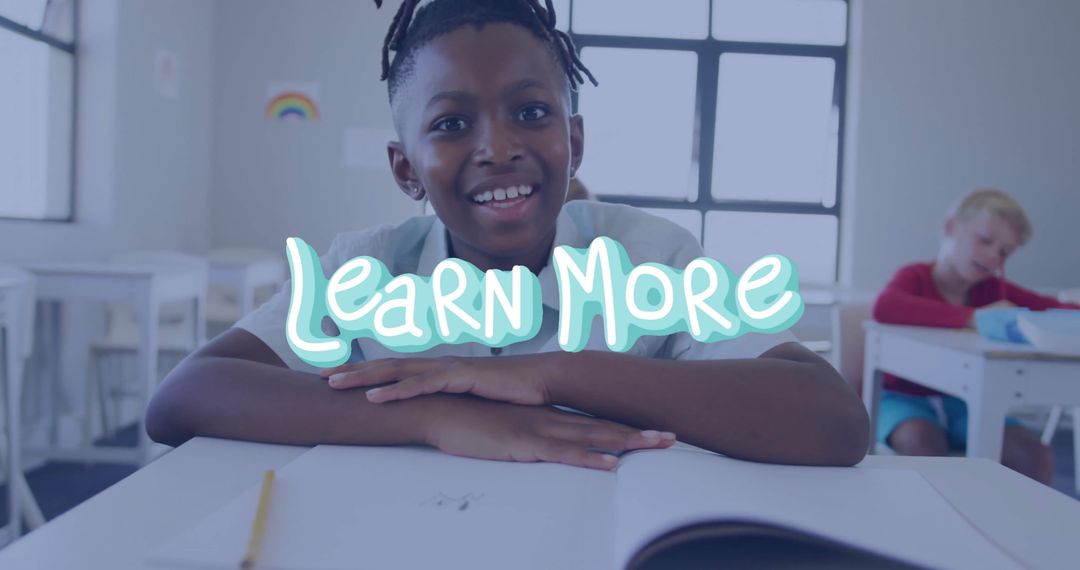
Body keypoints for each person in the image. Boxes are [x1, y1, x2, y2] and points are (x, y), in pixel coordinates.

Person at [146, 0, 867, 470]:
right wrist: (436, 417)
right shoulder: (367, 270)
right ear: (407, 169)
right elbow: (183, 399)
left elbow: (829, 419)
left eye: (530, 113)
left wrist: (546, 376)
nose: (497, 147)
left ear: (574, 140)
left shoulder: (651, 258)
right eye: (452, 124)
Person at [873, 188, 1079, 483]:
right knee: (922, 444)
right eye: (985, 240)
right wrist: (972, 317)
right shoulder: (915, 277)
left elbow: (1053, 307)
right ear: (950, 228)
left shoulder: (993, 290)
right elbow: (887, 307)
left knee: (1034, 455)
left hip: (965, 402)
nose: (994, 256)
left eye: (1005, 252)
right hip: (902, 399)